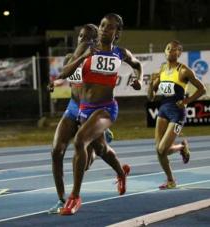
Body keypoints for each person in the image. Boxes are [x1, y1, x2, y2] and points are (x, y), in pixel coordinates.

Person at [56, 13, 143, 215]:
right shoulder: (89, 49)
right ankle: (122, 173)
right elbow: (64, 73)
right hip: (84, 109)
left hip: (106, 109)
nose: (104, 29)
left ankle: (74, 197)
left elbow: (137, 65)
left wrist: (137, 79)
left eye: (110, 27)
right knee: (102, 149)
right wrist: (84, 57)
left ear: (118, 32)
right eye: (103, 25)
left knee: (79, 141)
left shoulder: (121, 53)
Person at [48, 24, 123, 214]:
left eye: (89, 37)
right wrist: (54, 83)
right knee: (56, 151)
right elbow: (63, 77)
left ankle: (103, 143)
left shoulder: (97, 58)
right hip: (72, 108)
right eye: (81, 36)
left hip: (90, 112)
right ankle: (61, 199)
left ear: (96, 40)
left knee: (90, 159)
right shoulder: (70, 58)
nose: (84, 40)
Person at [147, 40, 206, 190]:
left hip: (177, 113)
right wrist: (150, 83)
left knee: (162, 149)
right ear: (165, 51)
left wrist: (187, 100)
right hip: (163, 110)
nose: (170, 51)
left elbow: (202, 90)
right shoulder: (162, 69)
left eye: (174, 50)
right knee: (159, 150)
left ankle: (180, 148)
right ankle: (171, 180)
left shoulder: (184, 70)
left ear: (179, 53)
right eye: (168, 49)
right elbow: (151, 97)